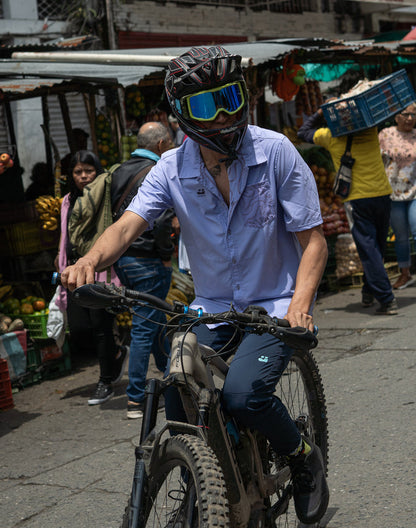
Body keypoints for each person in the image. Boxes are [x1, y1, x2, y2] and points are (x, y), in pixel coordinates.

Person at [62, 46, 329, 525]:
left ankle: (302, 456)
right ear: (183, 114)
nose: (224, 114)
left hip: (273, 305)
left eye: (229, 97)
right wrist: (89, 261)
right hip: (211, 306)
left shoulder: (276, 152)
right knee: (175, 385)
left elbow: (313, 242)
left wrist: (300, 305)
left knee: (245, 395)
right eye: (207, 105)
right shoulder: (169, 170)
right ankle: (204, 479)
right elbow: (126, 227)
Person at [298, 103, 397, 315]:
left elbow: (303, 132)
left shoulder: (331, 137)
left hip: (357, 200)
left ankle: (387, 299)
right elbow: (384, 114)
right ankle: (369, 292)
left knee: (369, 250)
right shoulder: (370, 131)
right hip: (382, 194)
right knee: (376, 247)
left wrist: (318, 113)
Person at [110, 122, 175, 419]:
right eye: (171, 142)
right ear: (161, 144)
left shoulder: (119, 170)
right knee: (144, 327)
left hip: (123, 258)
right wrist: (165, 255)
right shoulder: (158, 171)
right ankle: (136, 398)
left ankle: (169, 375)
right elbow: (161, 221)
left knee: (155, 317)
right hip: (148, 260)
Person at [55, 149, 129, 405]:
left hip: (100, 270)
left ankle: (105, 381)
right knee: (79, 328)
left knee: (100, 327)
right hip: (75, 269)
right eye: (78, 172)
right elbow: (65, 234)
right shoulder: (67, 200)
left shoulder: (105, 195)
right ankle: (117, 353)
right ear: (71, 175)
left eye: (89, 170)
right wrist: (61, 259)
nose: (84, 176)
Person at [378, 102, 416, 290]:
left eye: (413, 115)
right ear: (396, 116)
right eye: (405, 115)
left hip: (415, 192)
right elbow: (377, 161)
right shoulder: (385, 135)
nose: (410, 118)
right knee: (400, 237)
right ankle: (405, 274)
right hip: (392, 194)